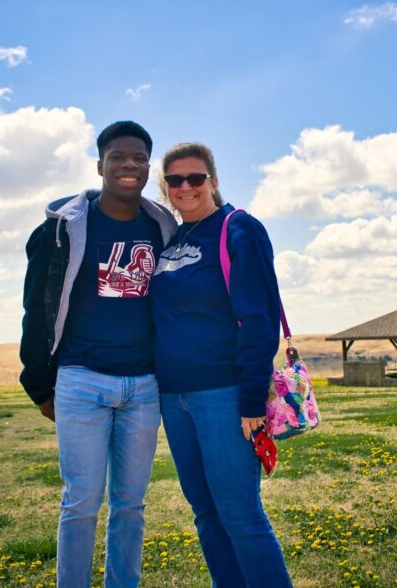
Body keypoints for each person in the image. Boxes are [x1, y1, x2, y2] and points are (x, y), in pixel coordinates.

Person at [19, 121, 178, 588]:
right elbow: (37, 308)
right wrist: (39, 384)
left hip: (143, 387)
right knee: (81, 501)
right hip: (81, 381)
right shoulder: (59, 232)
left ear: (148, 168)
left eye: (139, 159)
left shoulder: (163, 228)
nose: (129, 166)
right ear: (100, 165)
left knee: (130, 504)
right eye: (118, 157)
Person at [150, 142, 293, 587]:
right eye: (175, 180)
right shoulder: (173, 238)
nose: (186, 187)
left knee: (239, 513)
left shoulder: (238, 229)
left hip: (225, 396)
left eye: (196, 178)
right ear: (166, 188)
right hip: (174, 398)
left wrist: (250, 400)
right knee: (206, 514)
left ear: (213, 180)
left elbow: (259, 318)